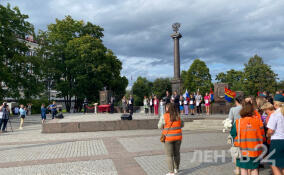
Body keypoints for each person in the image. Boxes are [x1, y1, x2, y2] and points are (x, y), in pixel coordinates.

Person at [230, 101, 265, 175]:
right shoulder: (258, 121)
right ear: (252, 111)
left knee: (243, 169)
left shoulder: (238, 122)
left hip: (242, 150)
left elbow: (232, 134)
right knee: (254, 169)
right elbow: (262, 135)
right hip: (255, 150)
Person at [158, 103, 184, 175]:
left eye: (166, 107)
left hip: (168, 138)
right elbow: (182, 125)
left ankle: (171, 172)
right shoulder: (178, 116)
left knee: (169, 155)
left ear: (167, 108)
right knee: (177, 154)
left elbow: (159, 126)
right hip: (178, 138)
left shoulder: (164, 116)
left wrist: (164, 126)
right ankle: (176, 169)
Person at [267, 94, 284, 175]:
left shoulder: (275, 115)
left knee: (273, 164)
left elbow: (270, 131)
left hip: (277, 141)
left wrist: (267, 135)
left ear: (275, 104)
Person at [227, 96, 242, 175]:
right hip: (245, 129)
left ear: (236, 101)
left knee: (236, 148)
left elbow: (230, 120)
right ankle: (243, 167)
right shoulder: (245, 108)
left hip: (236, 130)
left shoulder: (233, 109)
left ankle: (237, 169)